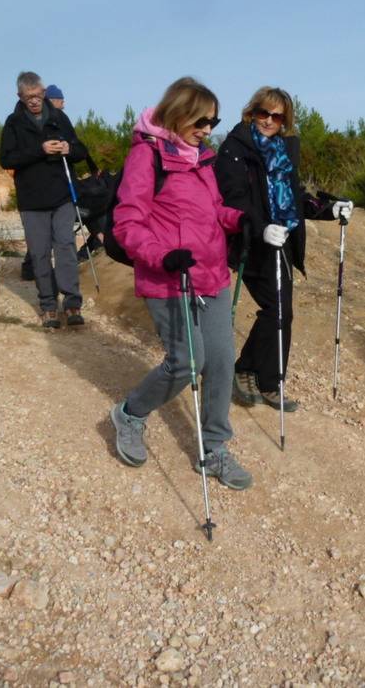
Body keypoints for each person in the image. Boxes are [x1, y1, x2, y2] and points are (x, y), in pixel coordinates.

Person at [108, 77, 252, 489]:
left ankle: (215, 449)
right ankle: (131, 413)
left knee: (221, 362)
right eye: (202, 120)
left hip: (212, 274)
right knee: (188, 362)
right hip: (168, 277)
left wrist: (240, 220)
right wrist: (162, 255)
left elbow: (212, 210)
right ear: (180, 112)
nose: (209, 129)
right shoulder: (146, 155)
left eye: (214, 120)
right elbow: (127, 222)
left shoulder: (201, 157)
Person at [215, 87, 353, 410]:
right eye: (264, 113)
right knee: (277, 310)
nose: (269, 120)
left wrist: (328, 210)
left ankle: (266, 380)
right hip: (252, 241)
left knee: (282, 314)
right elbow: (231, 198)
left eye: (276, 116)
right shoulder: (235, 149)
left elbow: (294, 197)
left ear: (284, 120)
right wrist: (260, 228)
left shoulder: (283, 150)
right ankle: (249, 372)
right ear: (252, 111)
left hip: (284, 242)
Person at [0, 71, 88, 329]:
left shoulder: (60, 118)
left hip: (62, 196)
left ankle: (72, 304)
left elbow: (82, 151)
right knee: (39, 254)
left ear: (43, 93)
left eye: (38, 96)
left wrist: (70, 149)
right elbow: (6, 159)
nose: (35, 101)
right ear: (20, 96)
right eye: (29, 97)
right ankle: (49, 306)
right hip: (31, 200)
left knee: (66, 249)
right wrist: (40, 150)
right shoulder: (13, 123)